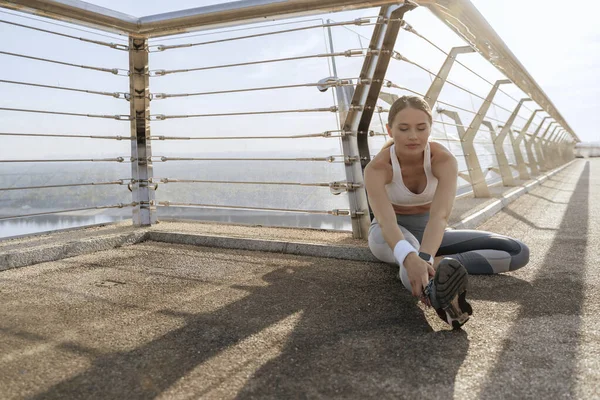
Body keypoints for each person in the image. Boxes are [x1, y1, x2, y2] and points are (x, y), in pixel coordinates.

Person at [364, 95, 530, 329]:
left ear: (430, 129)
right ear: (390, 130)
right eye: (404, 128)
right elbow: (386, 221)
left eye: (421, 128)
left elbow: (439, 217)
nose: (413, 135)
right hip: (389, 235)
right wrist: (414, 258)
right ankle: (440, 299)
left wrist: (426, 258)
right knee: (409, 258)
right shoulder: (377, 168)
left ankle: (437, 266)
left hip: (432, 233)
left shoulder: (443, 160)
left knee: (518, 251)